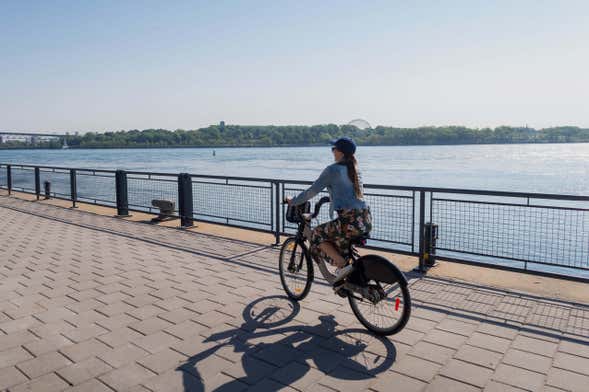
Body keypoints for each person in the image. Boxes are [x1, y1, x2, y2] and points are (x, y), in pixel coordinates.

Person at [286, 137, 372, 282]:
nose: (332, 151)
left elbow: (311, 192)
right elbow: (349, 193)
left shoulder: (333, 169)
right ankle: (347, 276)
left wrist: (292, 201)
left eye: (334, 149)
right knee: (335, 241)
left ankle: (343, 265)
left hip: (348, 221)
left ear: (341, 152)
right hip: (365, 219)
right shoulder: (355, 168)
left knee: (316, 235)